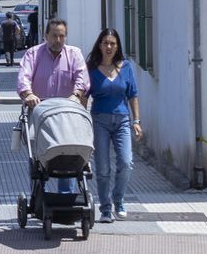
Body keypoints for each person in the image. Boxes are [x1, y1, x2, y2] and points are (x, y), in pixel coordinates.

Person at [18, 18, 91, 193]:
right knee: (37, 159)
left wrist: (76, 95)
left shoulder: (74, 54)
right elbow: (23, 77)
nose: (58, 40)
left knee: (68, 154)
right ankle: (38, 198)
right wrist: (28, 94)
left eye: (62, 36)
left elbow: (82, 78)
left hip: (66, 114)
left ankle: (66, 198)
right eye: (54, 36)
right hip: (39, 112)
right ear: (46, 36)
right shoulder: (33, 54)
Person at [85, 28, 141, 224]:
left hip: (122, 120)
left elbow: (133, 95)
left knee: (126, 162)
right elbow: (83, 98)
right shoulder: (91, 69)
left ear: (117, 46)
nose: (109, 47)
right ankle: (106, 208)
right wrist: (83, 124)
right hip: (99, 120)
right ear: (100, 45)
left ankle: (119, 199)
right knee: (102, 168)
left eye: (113, 43)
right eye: (105, 43)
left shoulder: (125, 67)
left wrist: (136, 121)